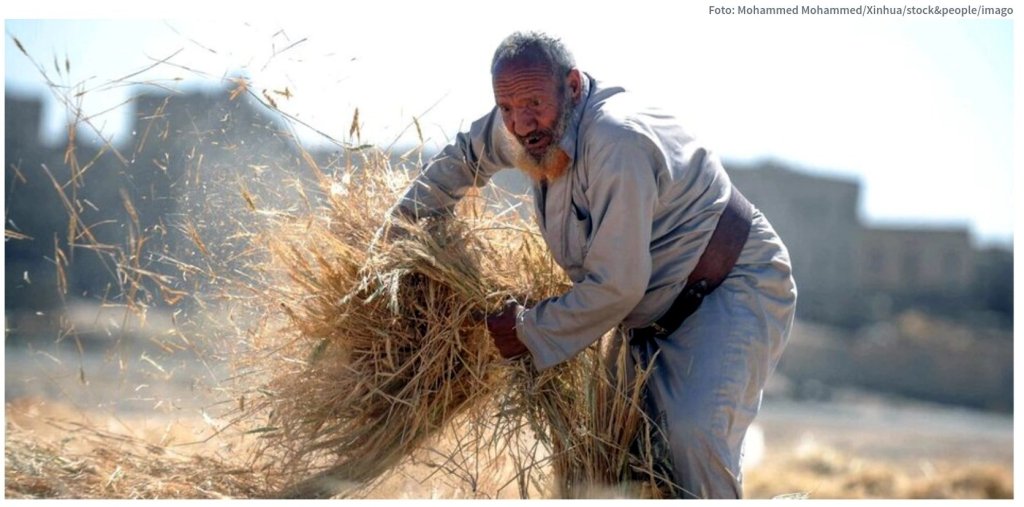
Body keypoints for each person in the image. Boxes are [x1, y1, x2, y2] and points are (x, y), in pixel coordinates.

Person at [393, 31, 796, 499]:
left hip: (727, 288)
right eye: (506, 107)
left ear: (572, 86)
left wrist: (527, 329)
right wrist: (398, 234)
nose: (521, 123)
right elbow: (465, 156)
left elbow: (616, 286)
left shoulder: (616, 141)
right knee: (606, 460)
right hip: (647, 316)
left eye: (533, 104)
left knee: (692, 440)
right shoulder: (525, 125)